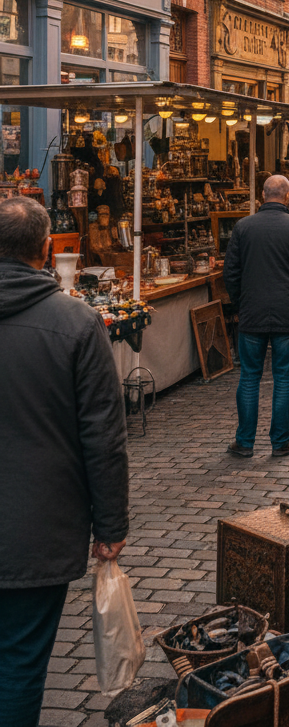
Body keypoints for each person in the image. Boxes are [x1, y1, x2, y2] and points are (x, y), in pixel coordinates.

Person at [0, 196, 129, 726]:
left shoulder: (76, 323)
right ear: (49, 250)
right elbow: (102, 434)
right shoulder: (76, 322)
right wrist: (111, 524)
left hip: (36, 526)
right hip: (37, 527)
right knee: (21, 664)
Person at [224, 175, 289, 457]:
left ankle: (245, 442)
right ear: (288, 196)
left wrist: (241, 302)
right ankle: (280, 441)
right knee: (283, 377)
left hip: (252, 312)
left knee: (250, 377)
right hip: (286, 313)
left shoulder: (244, 227)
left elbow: (230, 273)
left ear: (263, 195)